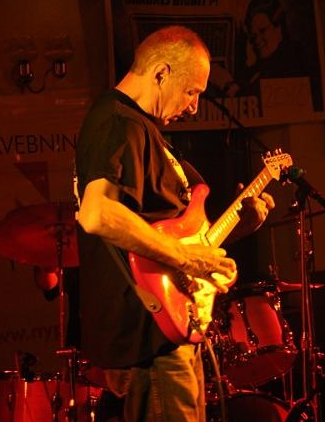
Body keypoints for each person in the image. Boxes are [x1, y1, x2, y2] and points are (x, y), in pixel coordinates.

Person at [74, 25, 275, 422]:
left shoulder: (144, 129)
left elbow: (174, 233)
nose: (195, 106)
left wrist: (240, 225)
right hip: (147, 333)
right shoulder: (119, 122)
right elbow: (96, 213)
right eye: (192, 91)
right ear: (161, 73)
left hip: (169, 325)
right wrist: (187, 260)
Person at [237, 0, 311, 95]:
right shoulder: (260, 66)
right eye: (253, 35)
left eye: (263, 31)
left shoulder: (295, 60)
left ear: (279, 27)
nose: (257, 40)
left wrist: (227, 86)